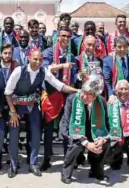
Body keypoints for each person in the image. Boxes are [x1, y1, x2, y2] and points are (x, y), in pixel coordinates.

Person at [4, 50, 78, 178]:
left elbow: (60, 86)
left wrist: (78, 91)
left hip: (32, 106)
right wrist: (12, 112)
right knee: (14, 134)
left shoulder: (44, 71)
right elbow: (7, 93)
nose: (38, 62)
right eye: (35, 59)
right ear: (29, 58)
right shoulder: (18, 71)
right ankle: (13, 165)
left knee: (36, 133)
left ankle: (33, 163)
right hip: (16, 107)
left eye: (40, 60)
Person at [59, 75, 113, 184]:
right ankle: (66, 173)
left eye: (89, 95)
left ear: (95, 96)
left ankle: (95, 170)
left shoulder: (101, 101)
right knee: (75, 144)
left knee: (104, 143)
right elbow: (67, 124)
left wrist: (102, 138)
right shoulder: (72, 99)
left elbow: (107, 123)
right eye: (83, 92)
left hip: (94, 130)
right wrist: (86, 143)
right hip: (72, 130)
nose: (84, 96)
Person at [41, 27, 78, 170]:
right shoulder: (48, 52)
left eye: (68, 37)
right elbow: (45, 69)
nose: (66, 39)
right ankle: (46, 159)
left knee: (67, 127)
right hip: (51, 94)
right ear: (57, 37)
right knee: (49, 129)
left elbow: (73, 77)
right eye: (63, 36)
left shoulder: (72, 56)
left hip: (66, 95)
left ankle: (67, 159)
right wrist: (62, 65)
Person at [103, 36, 129, 101]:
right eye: (119, 47)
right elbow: (108, 81)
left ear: (128, 47)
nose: (122, 49)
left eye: (125, 46)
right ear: (115, 47)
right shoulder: (108, 61)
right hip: (116, 95)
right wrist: (111, 94)